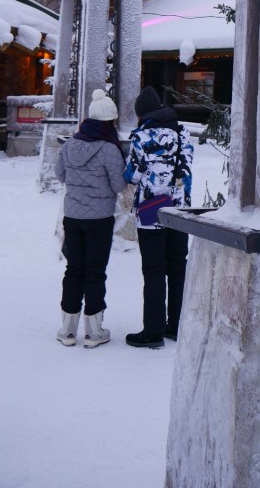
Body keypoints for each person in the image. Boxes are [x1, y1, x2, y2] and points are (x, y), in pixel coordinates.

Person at [54, 89, 125, 348]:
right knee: (95, 271)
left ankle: (67, 329)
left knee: (73, 269)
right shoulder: (109, 149)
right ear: (110, 121)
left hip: (72, 216)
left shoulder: (70, 144)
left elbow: (60, 174)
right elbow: (118, 186)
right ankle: (94, 332)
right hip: (100, 218)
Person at [124, 85, 194, 349]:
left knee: (154, 270)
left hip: (151, 210)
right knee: (178, 266)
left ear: (142, 114)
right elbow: (187, 168)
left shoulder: (141, 138)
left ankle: (152, 332)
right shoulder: (181, 132)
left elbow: (132, 176)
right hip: (180, 210)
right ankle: (176, 326)